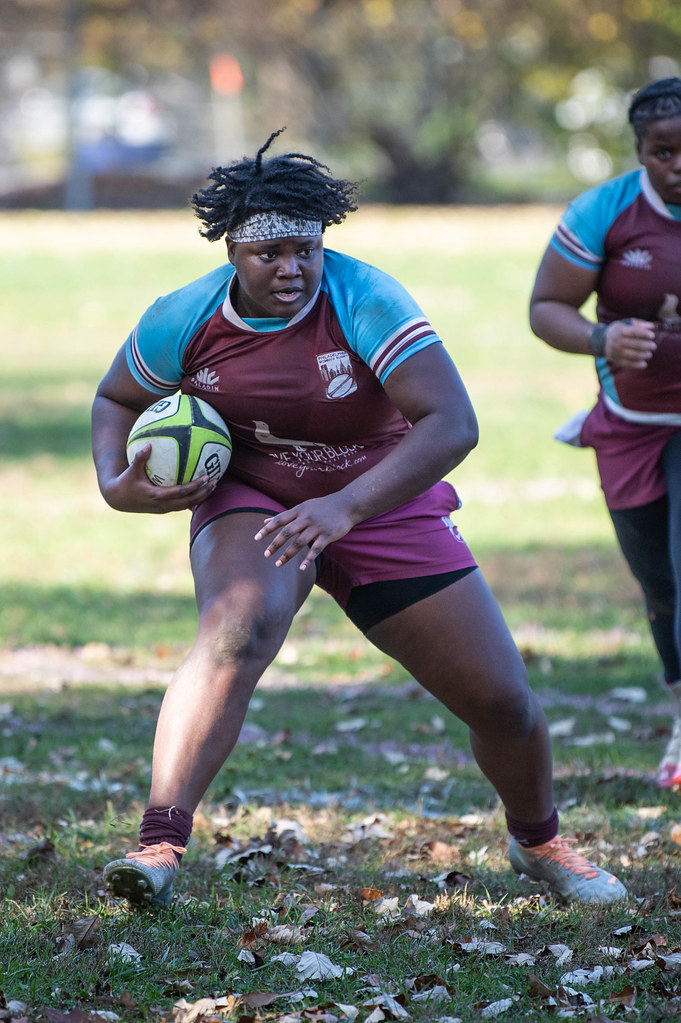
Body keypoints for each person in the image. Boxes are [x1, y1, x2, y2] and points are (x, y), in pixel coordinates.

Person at [92, 128, 626, 908]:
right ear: (232, 252)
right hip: (256, 494)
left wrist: (344, 506)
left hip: (378, 495)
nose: (291, 268)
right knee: (236, 627)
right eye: (269, 253)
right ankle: (160, 842)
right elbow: (117, 396)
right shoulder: (184, 315)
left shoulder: (363, 297)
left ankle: (538, 841)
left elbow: (451, 422)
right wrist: (115, 483)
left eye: (304, 249)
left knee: (504, 702)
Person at [529, 77, 681, 789]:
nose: (678, 165)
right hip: (629, 425)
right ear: (640, 153)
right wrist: (602, 336)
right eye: (663, 151)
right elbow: (547, 307)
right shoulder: (604, 211)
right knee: (659, 587)